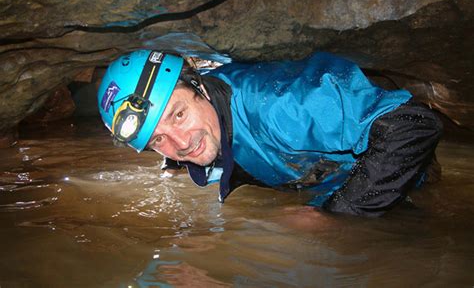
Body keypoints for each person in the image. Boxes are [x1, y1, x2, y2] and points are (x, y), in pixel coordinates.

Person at [97, 50, 442, 217]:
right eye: (158, 140)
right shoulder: (196, 133)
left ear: (200, 86)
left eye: (179, 114)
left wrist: (334, 215)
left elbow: (413, 127)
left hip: (405, 181)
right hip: (316, 179)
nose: (181, 142)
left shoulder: (282, 104)